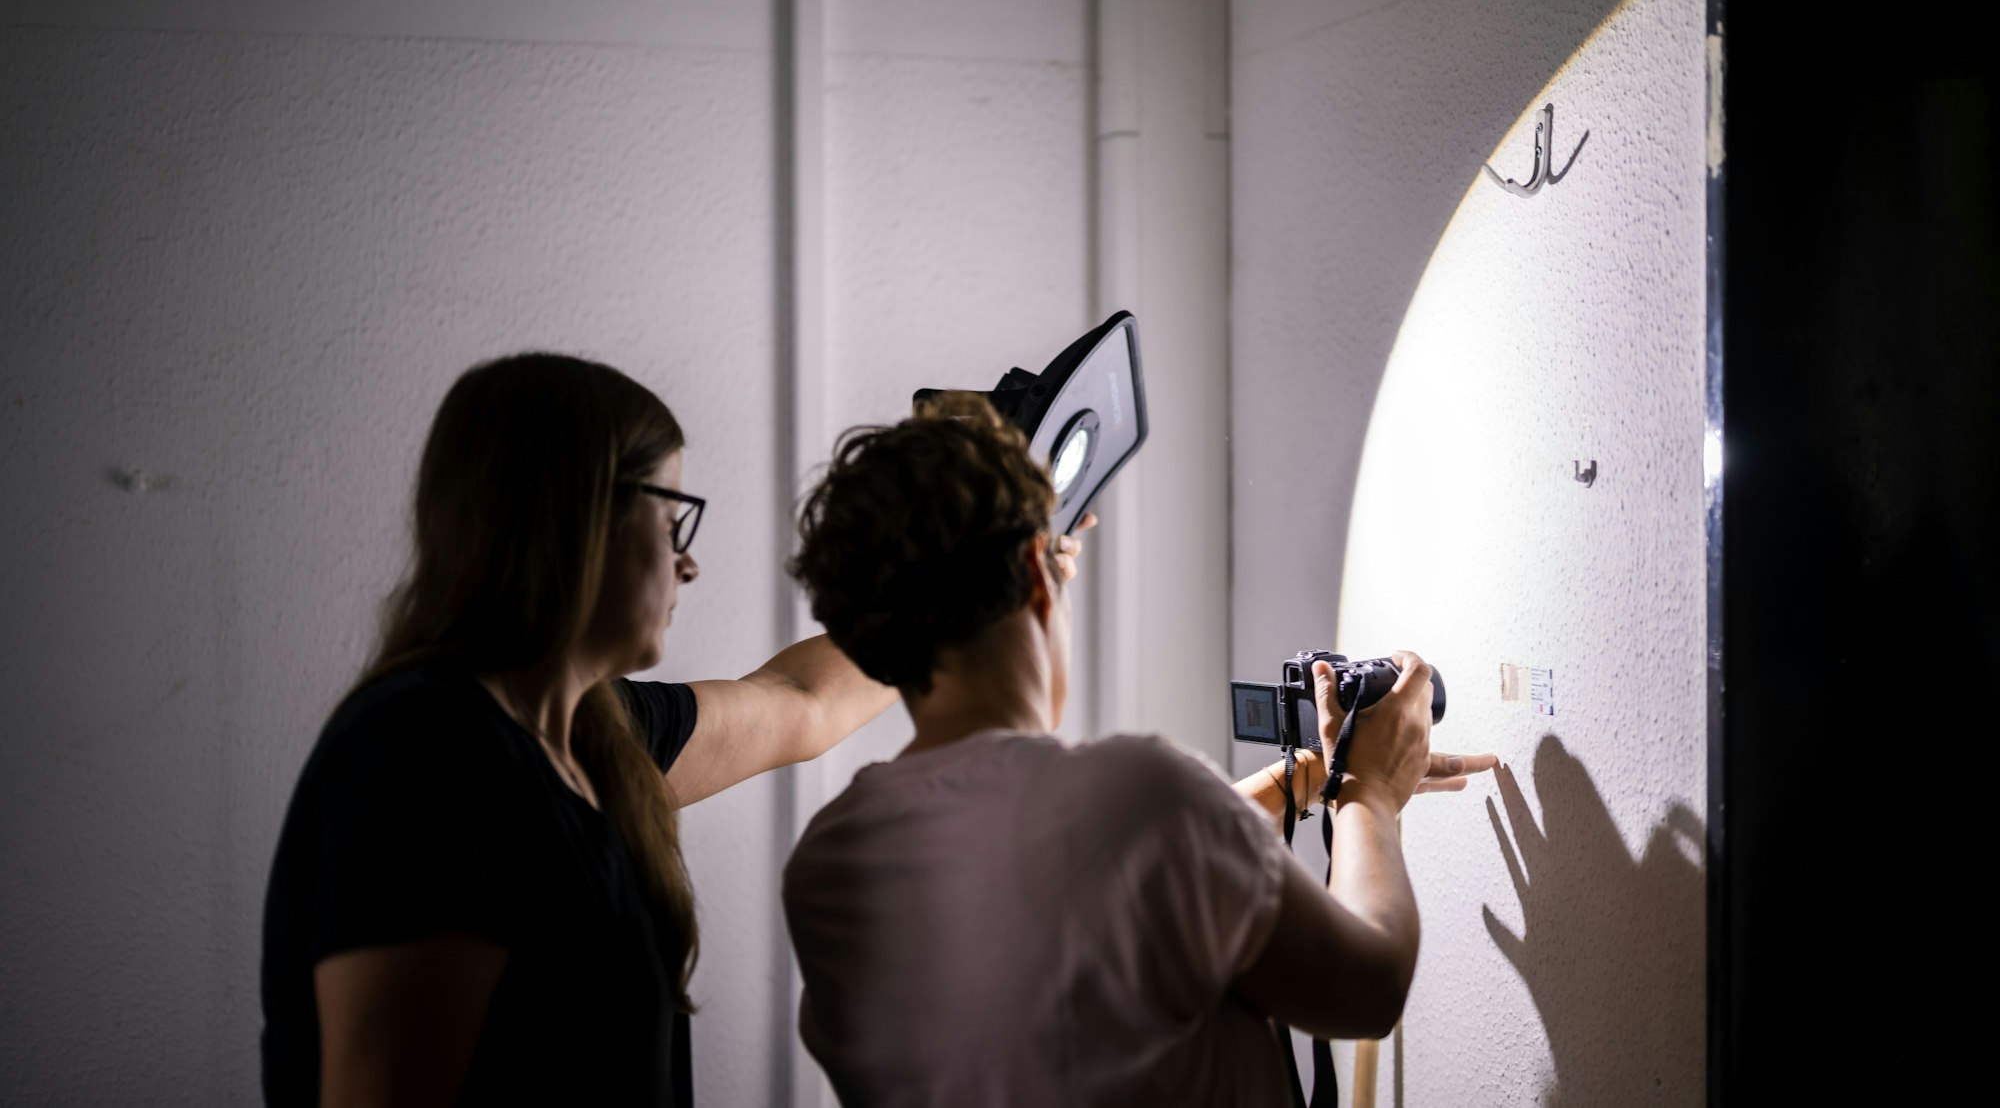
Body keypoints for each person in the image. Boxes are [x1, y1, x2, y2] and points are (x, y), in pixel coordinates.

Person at [260, 355, 1091, 1107]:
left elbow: (802, 700)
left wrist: (992, 572)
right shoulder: (427, 756)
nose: (686, 562)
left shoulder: (594, 733)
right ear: (575, 519)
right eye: (671, 520)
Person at [782, 393, 1497, 1106]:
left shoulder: (831, 860)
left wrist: (1308, 778)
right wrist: (1370, 795)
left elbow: (1079, 890)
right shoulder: (1141, 797)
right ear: (1039, 571)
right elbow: (1366, 988)